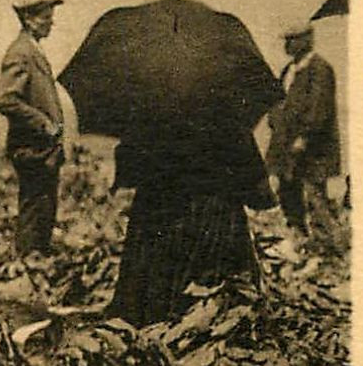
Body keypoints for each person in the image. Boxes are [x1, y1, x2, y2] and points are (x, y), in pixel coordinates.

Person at [108, 131, 273, 326]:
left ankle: (148, 316)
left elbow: (129, 159)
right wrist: (261, 194)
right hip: (210, 209)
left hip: (156, 207)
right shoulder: (223, 110)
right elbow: (246, 162)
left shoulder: (152, 107)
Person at [266, 19, 344, 252]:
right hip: (287, 144)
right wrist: (275, 123)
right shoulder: (289, 71)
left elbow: (319, 108)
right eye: (287, 41)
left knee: (314, 195)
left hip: (313, 147)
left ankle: (327, 246)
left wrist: (304, 138)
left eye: (292, 40)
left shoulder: (320, 69)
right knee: (288, 190)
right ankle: (299, 236)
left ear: (307, 40)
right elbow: (278, 101)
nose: (287, 46)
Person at [0, 0, 65, 256]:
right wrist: (43, 123)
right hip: (32, 146)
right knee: (34, 206)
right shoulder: (20, 53)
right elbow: (5, 98)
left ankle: (38, 257)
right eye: (46, 18)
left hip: (42, 147)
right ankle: (27, 261)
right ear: (29, 20)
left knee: (44, 203)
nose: (51, 23)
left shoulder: (32, 49)